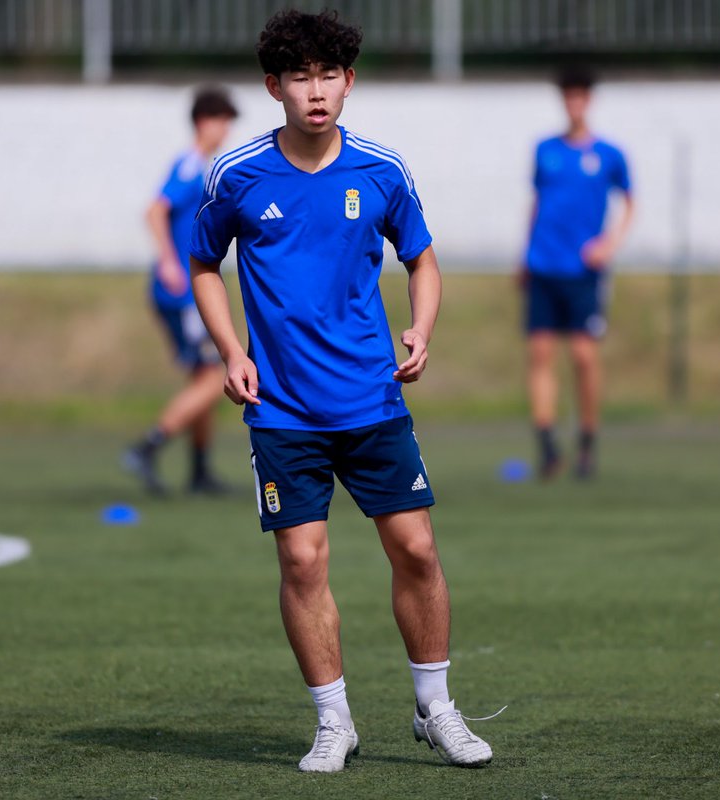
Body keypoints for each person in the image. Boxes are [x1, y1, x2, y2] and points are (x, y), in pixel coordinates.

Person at [188, 8, 494, 774]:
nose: (315, 91)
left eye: (329, 75)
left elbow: (422, 259)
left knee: (417, 549)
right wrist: (230, 351)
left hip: (372, 399)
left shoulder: (383, 171)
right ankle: (334, 721)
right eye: (300, 76)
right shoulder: (237, 174)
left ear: (349, 83)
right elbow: (202, 264)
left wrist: (422, 329)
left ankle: (437, 708)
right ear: (274, 87)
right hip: (282, 409)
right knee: (302, 563)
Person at [122, 87, 239, 495]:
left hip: (185, 291)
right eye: (223, 121)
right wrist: (170, 261)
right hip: (182, 293)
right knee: (216, 375)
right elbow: (155, 210)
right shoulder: (190, 164)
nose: (226, 130)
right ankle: (148, 447)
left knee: (204, 375)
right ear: (204, 121)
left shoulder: (201, 165)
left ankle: (200, 472)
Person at [521, 65, 635, 480]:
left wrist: (610, 244)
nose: (573, 104)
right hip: (543, 265)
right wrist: (524, 255)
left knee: (585, 356)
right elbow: (537, 204)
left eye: (579, 96)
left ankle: (587, 441)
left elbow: (631, 202)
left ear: (589, 101)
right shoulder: (545, 150)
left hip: (583, 271)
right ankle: (548, 445)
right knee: (540, 355)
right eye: (567, 96)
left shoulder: (609, 155)